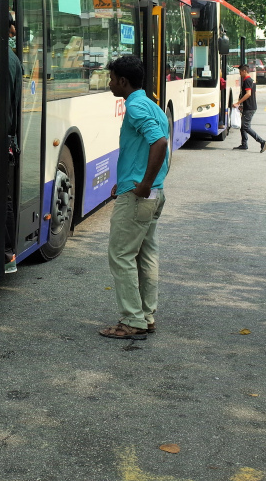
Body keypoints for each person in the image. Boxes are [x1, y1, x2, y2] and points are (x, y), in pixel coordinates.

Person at [99, 54, 169, 341]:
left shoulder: (136, 108)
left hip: (140, 195)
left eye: (112, 78)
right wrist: (133, 181)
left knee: (121, 254)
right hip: (153, 193)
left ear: (123, 81)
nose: (110, 83)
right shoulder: (150, 104)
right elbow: (146, 147)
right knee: (146, 254)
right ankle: (146, 316)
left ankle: (132, 320)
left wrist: (142, 185)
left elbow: (159, 142)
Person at [4, 10, 23, 274]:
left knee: (3, 197)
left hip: (2, 141)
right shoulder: (8, 57)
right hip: (6, 139)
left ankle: (7, 254)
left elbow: (6, 110)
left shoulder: (5, 59)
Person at [231, 63, 266, 152]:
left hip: (250, 107)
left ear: (244, 71)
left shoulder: (247, 80)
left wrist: (238, 103)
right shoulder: (251, 80)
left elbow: (248, 94)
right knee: (243, 126)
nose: (239, 74)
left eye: (240, 72)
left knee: (246, 127)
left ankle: (261, 141)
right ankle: (244, 144)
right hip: (249, 106)